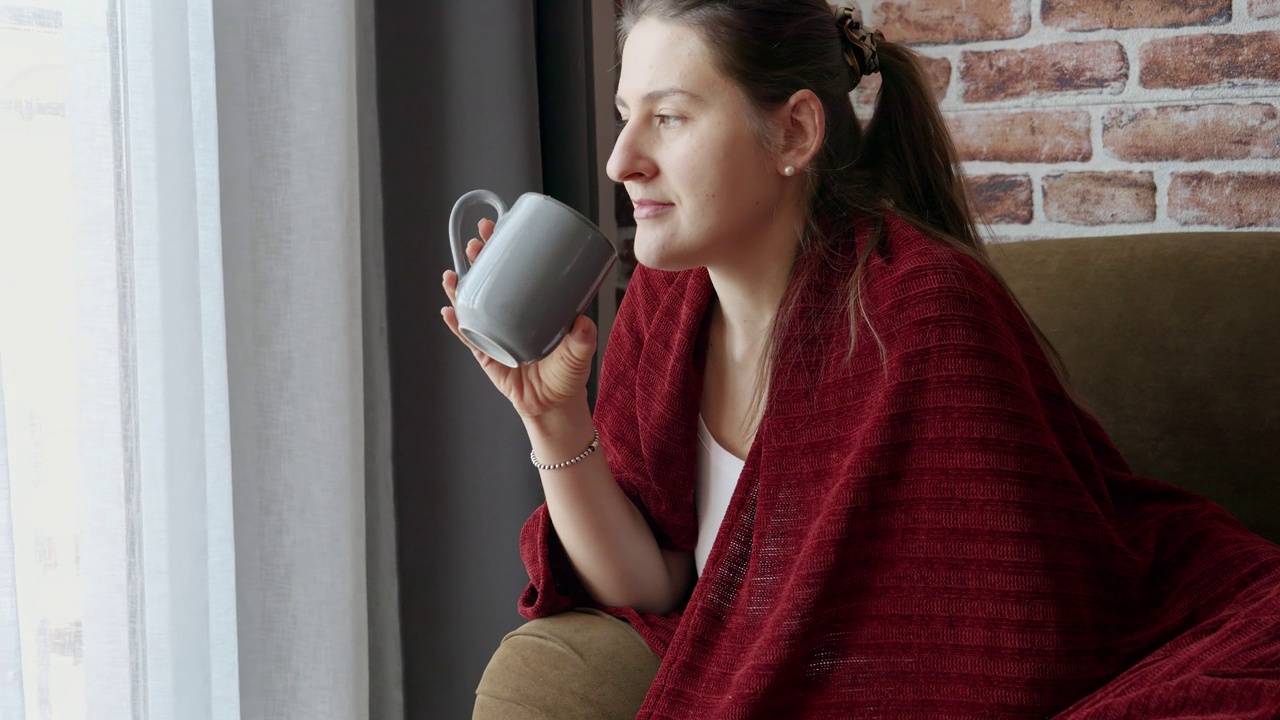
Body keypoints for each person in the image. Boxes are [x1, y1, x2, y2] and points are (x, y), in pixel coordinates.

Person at [442, 1, 1280, 718]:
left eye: (668, 116)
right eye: (625, 114)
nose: (622, 160)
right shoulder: (668, 304)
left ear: (796, 131)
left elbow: (1013, 637)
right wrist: (552, 417)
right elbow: (656, 585)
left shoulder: (919, 313)